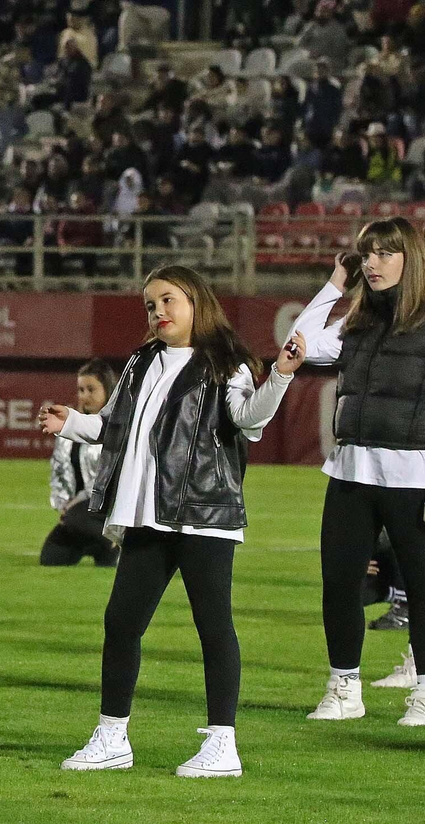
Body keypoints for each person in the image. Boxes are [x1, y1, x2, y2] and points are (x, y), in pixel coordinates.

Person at [43, 266, 303, 778]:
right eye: (149, 305)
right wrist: (70, 422)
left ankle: (223, 744)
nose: (158, 311)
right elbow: (112, 425)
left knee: (213, 626)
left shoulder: (225, 362)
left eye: (168, 300)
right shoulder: (142, 359)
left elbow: (249, 420)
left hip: (205, 515)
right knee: (121, 623)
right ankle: (113, 736)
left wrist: (282, 376)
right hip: (147, 515)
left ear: (196, 301)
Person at [288, 226, 425, 728]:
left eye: (386, 253)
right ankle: (344, 687)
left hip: (415, 476)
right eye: (368, 254)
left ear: (410, 259)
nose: (373, 263)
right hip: (350, 472)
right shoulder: (356, 324)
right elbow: (295, 346)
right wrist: (332, 286)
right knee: (340, 584)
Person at [41, 360, 121, 567]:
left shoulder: (120, 428)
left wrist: (75, 506)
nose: (84, 396)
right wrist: (64, 506)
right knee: (51, 558)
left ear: (108, 391)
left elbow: (112, 480)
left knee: (77, 518)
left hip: (108, 509)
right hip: (80, 513)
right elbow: (59, 471)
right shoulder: (70, 427)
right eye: (81, 389)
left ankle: (117, 541)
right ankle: (103, 544)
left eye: (91, 390)